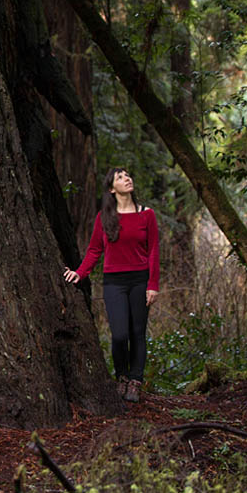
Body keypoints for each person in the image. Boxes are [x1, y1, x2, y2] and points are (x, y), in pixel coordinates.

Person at [64, 168, 160, 403]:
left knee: (137, 333)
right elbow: (95, 249)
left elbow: (154, 250)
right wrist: (80, 272)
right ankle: (123, 377)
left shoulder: (146, 215)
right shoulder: (104, 217)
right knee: (119, 335)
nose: (127, 179)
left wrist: (153, 284)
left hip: (139, 280)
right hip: (114, 282)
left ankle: (136, 382)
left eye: (128, 175)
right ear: (111, 189)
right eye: (120, 177)